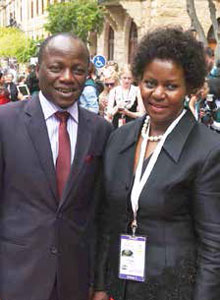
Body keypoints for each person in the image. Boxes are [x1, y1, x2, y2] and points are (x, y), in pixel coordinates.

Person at [93, 27, 220, 300]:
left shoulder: (209, 151)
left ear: (189, 87)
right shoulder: (120, 139)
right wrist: (101, 285)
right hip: (121, 287)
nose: (158, 94)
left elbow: (214, 246)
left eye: (171, 86)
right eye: (150, 83)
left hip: (173, 290)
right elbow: (107, 220)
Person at [0, 32, 112, 300]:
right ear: (38, 70)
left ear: (88, 75)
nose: (67, 77)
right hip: (15, 279)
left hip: (75, 281)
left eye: (78, 70)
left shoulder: (101, 131)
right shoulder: (5, 123)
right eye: (56, 67)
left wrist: (99, 282)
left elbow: (100, 214)